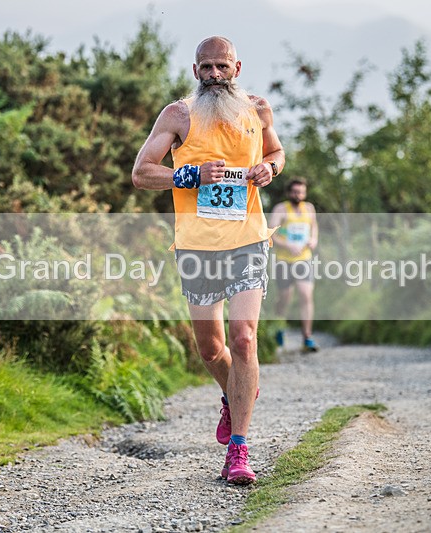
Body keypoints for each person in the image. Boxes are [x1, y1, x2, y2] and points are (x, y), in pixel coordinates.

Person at [132, 36, 284, 485]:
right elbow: (142, 173)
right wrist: (190, 174)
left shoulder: (258, 110)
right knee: (211, 349)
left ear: (237, 68)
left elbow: (276, 153)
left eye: (222, 66)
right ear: (195, 71)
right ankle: (233, 392)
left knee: (243, 339)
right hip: (197, 244)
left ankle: (238, 450)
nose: (215, 75)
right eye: (206, 68)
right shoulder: (178, 115)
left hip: (248, 238)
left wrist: (269, 169)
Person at [269, 178, 319, 352]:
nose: (299, 195)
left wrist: (313, 240)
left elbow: (314, 228)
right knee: (285, 298)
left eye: (302, 192)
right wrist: (288, 245)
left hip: (304, 259)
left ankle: (307, 337)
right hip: (284, 261)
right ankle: (279, 327)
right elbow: (271, 234)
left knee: (306, 295)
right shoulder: (281, 209)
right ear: (289, 193)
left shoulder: (310, 208)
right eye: (296, 192)